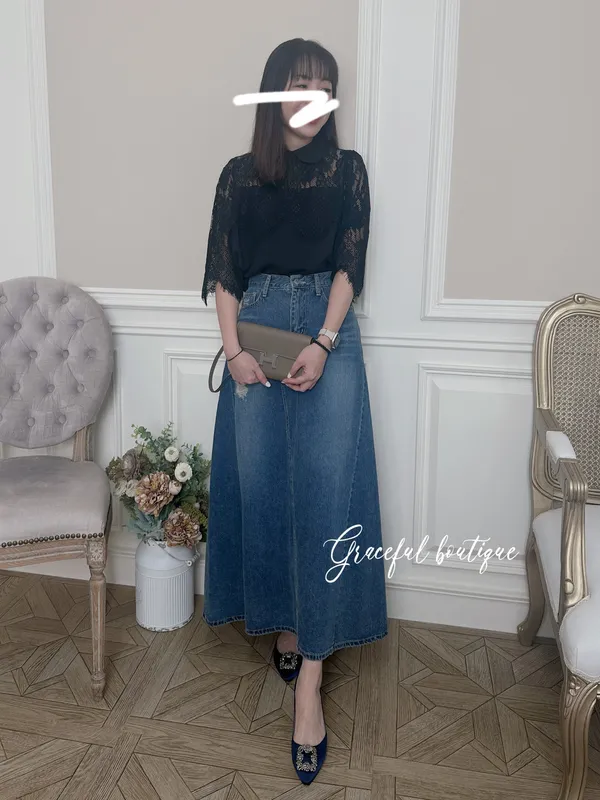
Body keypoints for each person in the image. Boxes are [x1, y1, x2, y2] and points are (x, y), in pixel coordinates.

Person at [201, 37, 388, 784]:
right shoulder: (237, 175)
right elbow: (224, 273)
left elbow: (350, 263)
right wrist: (234, 352)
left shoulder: (348, 170)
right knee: (263, 489)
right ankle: (284, 623)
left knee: (325, 494)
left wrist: (324, 340)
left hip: (325, 334)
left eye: (324, 86)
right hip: (253, 337)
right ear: (274, 90)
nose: (312, 98)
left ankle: (310, 677)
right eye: (299, 83)